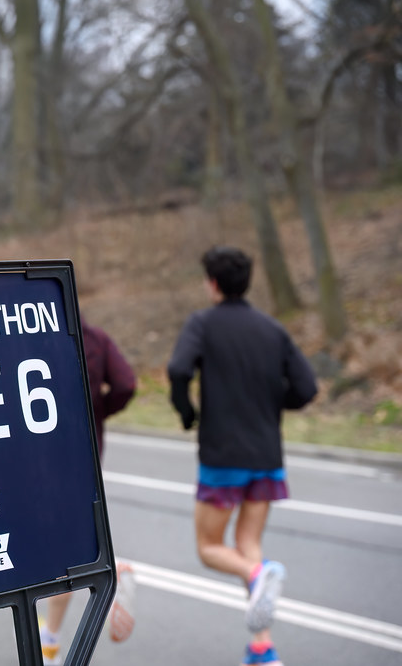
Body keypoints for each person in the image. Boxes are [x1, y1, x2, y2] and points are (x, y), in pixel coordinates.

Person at [167, 246, 317, 666]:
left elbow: (179, 369)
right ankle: (262, 650)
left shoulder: (202, 323)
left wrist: (187, 412)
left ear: (212, 283)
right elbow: (306, 388)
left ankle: (256, 576)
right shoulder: (272, 329)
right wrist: (270, 403)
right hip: (266, 454)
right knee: (249, 542)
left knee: (209, 547)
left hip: (222, 455)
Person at [40, 321, 137, 664]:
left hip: (40, 459)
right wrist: (98, 411)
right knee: (65, 550)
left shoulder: (29, 335)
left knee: (46, 550)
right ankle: (49, 641)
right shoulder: (94, 338)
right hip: (86, 456)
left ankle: (111, 564)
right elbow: (126, 383)